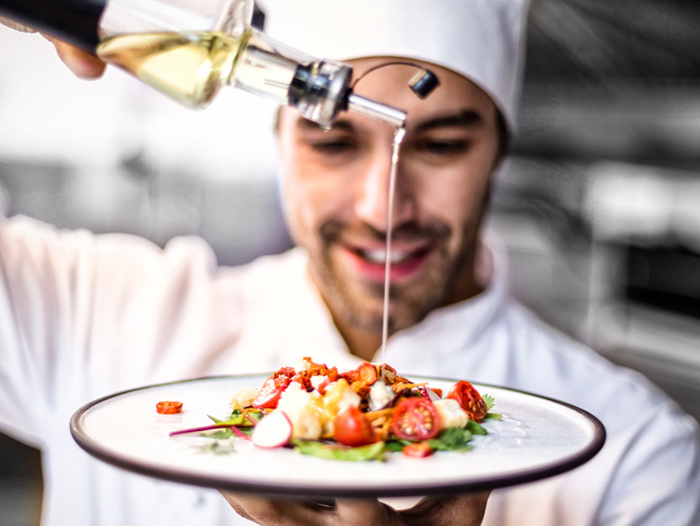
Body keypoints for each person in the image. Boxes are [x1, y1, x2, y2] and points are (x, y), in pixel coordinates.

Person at [1, 1, 699, 525]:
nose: (382, 208)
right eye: (332, 145)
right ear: (279, 140)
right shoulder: (94, 311)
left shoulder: (636, 454)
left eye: (442, 146)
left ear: (498, 153)